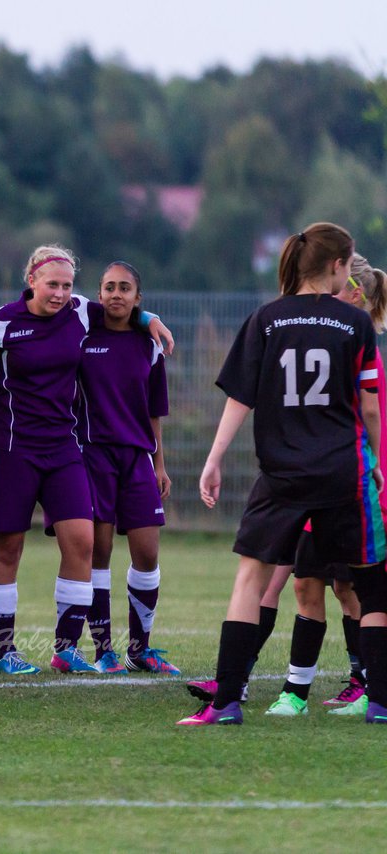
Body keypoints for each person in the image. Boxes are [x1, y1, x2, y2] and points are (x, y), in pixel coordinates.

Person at [180, 222, 387, 727]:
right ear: (339, 266)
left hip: (281, 474)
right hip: (342, 471)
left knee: (250, 579)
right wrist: (377, 463)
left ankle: (226, 702)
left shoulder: (265, 319)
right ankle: (379, 704)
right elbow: (370, 408)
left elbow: (240, 397)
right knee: (374, 587)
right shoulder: (354, 324)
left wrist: (214, 458)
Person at [0, 245, 173, 675]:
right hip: (13, 447)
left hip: (64, 448)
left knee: (82, 543)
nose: (60, 293)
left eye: (67, 285)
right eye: (52, 285)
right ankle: (4, 650)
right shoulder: (2, 322)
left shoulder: (83, 311)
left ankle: (66, 648)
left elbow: (123, 310)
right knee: (7, 548)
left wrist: (151, 319)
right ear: (32, 280)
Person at [258, 253, 387, 719]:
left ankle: (367, 685)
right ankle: (295, 691)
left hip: (353, 487)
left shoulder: (360, 348)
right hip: (312, 484)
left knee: (353, 590)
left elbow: (372, 420)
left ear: (355, 294)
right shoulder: (318, 338)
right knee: (306, 586)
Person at [74, 261, 179, 676]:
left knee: (147, 554)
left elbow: (155, 411)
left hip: (137, 459)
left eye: (125, 288)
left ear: (138, 298)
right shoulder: (82, 337)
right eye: (109, 287)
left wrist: (160, 464)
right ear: (99, 295)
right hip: (92, 455)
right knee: (98, 553)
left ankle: (141, 648)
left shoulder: (148, 345)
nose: (116, 294)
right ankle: (104, 650)